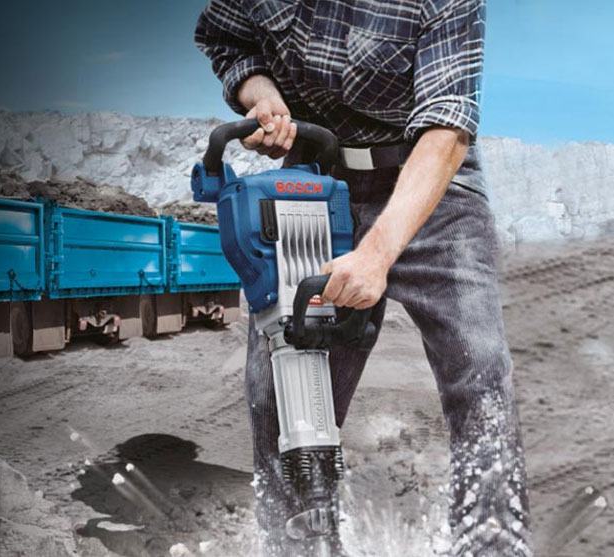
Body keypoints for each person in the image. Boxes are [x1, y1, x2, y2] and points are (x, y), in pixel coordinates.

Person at [195, 1, 530, 556]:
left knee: (481, 369)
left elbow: (447, 130)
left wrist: (375, 255)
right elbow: (226, 38)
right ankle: (300, 545)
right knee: (282, 385)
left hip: (431, 180)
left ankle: (491, 544)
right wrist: (261, 94)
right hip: (316, 182)